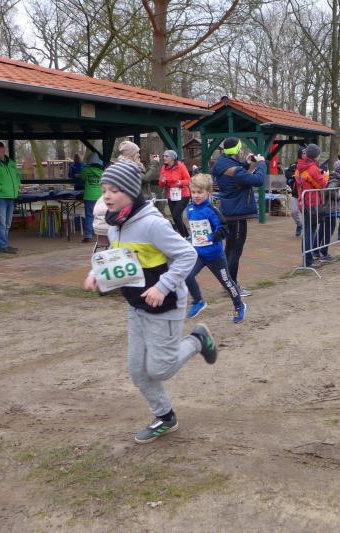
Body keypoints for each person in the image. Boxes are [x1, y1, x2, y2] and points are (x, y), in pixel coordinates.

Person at [82, 160, 217, 444]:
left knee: (160, 369)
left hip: (165, 306)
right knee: (138, 371)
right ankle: (165, 417)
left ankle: (197, 340)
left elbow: (188, 255)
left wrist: (163, 286)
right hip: (136, 306)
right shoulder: (116, 224)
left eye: (114, 190)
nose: (107, 196)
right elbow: (119, 258)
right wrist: (97, 274)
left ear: (131, 191)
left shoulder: (153, 224)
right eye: (104, 190)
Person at [184, 174, 246, 323]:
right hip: (198, 254)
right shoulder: (190, 209)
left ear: (208, 192)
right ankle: (198, 301)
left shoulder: (212, 210)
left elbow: (224, 229)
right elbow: (194, 231)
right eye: (194, 192)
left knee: (227, 282)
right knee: (187, 275)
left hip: (215, 256)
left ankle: (239, 305)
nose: (196, 195)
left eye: (200, 192)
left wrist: (210, 237)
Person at [212, 137, 267, 296]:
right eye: (240, 148)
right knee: (235, 250)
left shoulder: (223, 164)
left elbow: (237, 175)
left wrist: (247, 164)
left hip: (229, 210)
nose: (241, 151)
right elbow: (258, 180)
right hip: (237, 213)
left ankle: (227, 284)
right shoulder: (233, 169)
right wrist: (261, 163)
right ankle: (232, 286)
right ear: (236, 150)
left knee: (229, 249)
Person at [296, 143, 329, 267]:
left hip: (304, 201)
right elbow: (322, 184)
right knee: (310, 231)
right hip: (312, 203)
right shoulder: (313, 168)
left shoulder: (300, 167)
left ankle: (306, 259)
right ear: (316, 156)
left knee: (307, 231)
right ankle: (308, 261)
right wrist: (325, 175)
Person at [158, 149, 192, 238]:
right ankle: (186, 235)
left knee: (176, 215)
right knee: (175, 216)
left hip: (183, 194)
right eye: (163, 156)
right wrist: (162, 181)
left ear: (172, 158)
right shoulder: (163, 168)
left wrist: (180, 182)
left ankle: (183, 236)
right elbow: (161, 185)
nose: (164, 158)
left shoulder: (181, 166)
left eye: (166, 156)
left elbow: (188, 180)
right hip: (171, 195)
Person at [317, 159, 340, 261]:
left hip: (326, 207)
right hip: (330, 208)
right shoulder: (335, 179)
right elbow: (330, 190)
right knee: (329, 231)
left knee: (322, 230)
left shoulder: (331, 176)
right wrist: (339, 197)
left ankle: (316, 251)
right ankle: (324, 253)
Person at [78, 153, 103, 243]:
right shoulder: (102, 171)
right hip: (100, 196)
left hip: (89, 196)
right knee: (100, 215)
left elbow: (82, 177)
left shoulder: (85, 170)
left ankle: (88, 235)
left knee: (89, 216)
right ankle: (101, 234)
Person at [285, 147, 305, 237]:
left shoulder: (309, 165)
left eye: (305, 153)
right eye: (303, 153)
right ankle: (299, 224)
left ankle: (308, 230)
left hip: (306, 193)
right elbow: (287, 173)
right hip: (296, 193)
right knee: (293, 212)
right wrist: (293, 176)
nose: (304, 155)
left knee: (306, 213)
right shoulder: (294, 165)